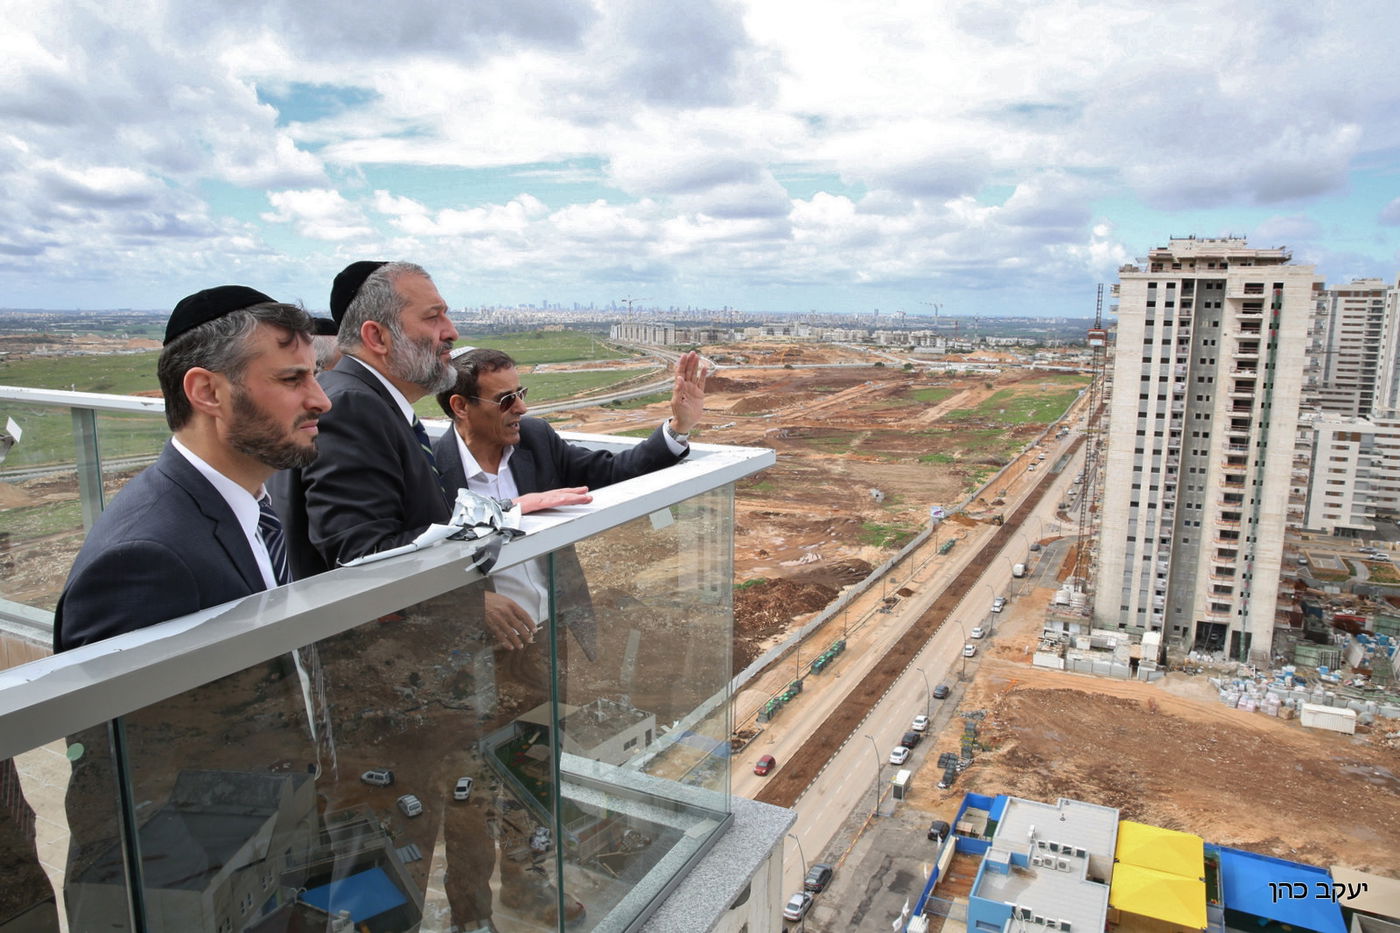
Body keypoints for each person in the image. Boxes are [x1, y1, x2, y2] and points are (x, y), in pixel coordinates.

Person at [54, 286, 330, 650]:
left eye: (315, 375)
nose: (322, 401)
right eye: (292, 379)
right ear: (207, 392)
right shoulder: (143, 561)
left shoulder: (246, 507)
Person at [433, 347, 708, 654]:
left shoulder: (536, 439)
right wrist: (473, 604)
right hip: (481, 645)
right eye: (506, 399)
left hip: (552, 629)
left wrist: (678, 427)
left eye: (520, 393)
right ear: (460, 406)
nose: (522, 408)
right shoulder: (429, 471)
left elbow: (613, 470)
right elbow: (408, 559)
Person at [271, 260, 459, 577]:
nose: (451, 331)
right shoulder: (351, 407)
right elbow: (363, 555)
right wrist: (480, 533)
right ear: (377, 337)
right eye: (432, 317)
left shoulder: (365, 400)